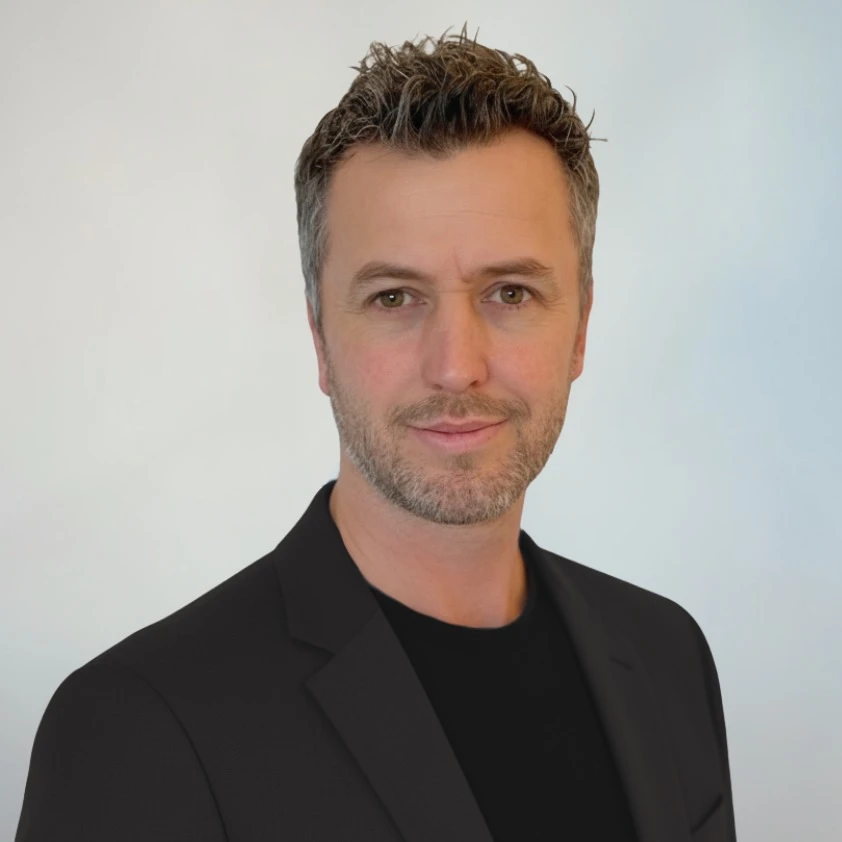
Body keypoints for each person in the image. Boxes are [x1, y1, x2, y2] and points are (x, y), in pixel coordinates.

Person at [15, 25, 737, 842]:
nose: (457, 366)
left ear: (579, 332)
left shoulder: (667, 655)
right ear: (322, 340)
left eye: (509, 293)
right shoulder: (136, 728)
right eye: (396, 297)